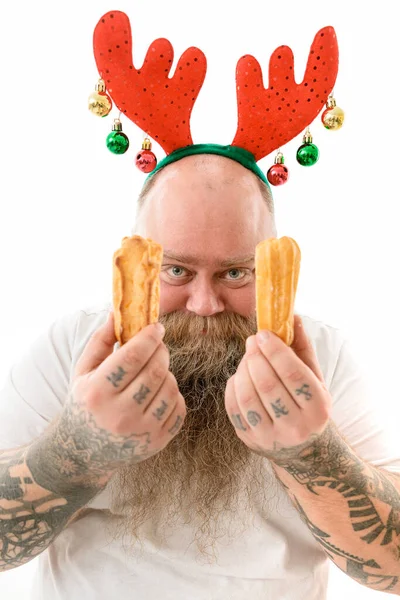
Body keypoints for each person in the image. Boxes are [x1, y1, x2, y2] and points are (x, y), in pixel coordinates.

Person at [1, 9, 400, 599]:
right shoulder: (71, 348)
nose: (206, 303)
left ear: (272, 268)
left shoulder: (327, 361)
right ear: (137, 264)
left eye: (236, 271)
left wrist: (314, 457)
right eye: (177, 270)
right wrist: (75, 451)